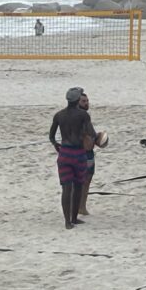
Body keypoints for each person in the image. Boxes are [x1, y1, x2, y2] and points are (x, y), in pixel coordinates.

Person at [49, 87, 97, 229]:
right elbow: (91, 133)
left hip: (64, 153)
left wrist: (56, 145)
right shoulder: (83, 115)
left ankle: (67, 221)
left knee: (66, 188)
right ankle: (74, 218)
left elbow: (51, 136)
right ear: (77, 100)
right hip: (78, 153)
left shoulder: (59, 115)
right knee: (78, 186)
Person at [77, 92, 107, 216]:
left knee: (84, 181)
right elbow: (92, 135)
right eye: (83, 101)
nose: (87, 103)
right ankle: (81, 207)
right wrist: (99, 138)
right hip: (84, 153)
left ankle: (81, 207)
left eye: (87, 101)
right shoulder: (83, 116)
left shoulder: (76, 115)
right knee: (84, 181)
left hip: (82, 152)